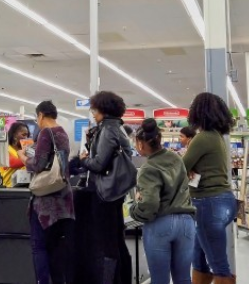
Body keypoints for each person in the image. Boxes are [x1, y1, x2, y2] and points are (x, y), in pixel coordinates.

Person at [130, 119, 195, 284]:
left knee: (160, 280)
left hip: (160, 223)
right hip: (186, 223)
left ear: (141, 143)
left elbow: (149, 205)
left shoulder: (147, 168)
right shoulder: (176, 158)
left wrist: (134, 209)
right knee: (184, 279)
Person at [78, 90, 133, 284]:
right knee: (117, 240)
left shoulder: (107, 130)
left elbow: (99, 164)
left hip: (104, 194)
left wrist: (84, 160)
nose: (93, 114)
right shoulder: (118, 128)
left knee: (107, 243)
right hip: (115, 192)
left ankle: (111, 280)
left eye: (95, 110)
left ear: (104, 109)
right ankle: (123, 279)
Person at [182, 92, 237, 284]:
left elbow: (181, 167)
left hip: (208, 203)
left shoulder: (202, 138)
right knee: (198, 257)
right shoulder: (217, 137)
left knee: (219, 265)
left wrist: (186, 169)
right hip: (223, 200)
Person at [19, 101, 74, 283]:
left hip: (45, 202)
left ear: (41, 115)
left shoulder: (45, 132)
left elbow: (38, 164)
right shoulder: (62, 132)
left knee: (39, 247)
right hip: (63, 199)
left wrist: (23, 158)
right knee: (56, 247)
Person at [0, 121, 30, 187]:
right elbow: (13, 163)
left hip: (25, 186)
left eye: (27, 135)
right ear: (14, 135)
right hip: (9, 188)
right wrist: (34, 159)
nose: (26, 138)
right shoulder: (5, 149)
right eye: (23, 135)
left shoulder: (25, 150)